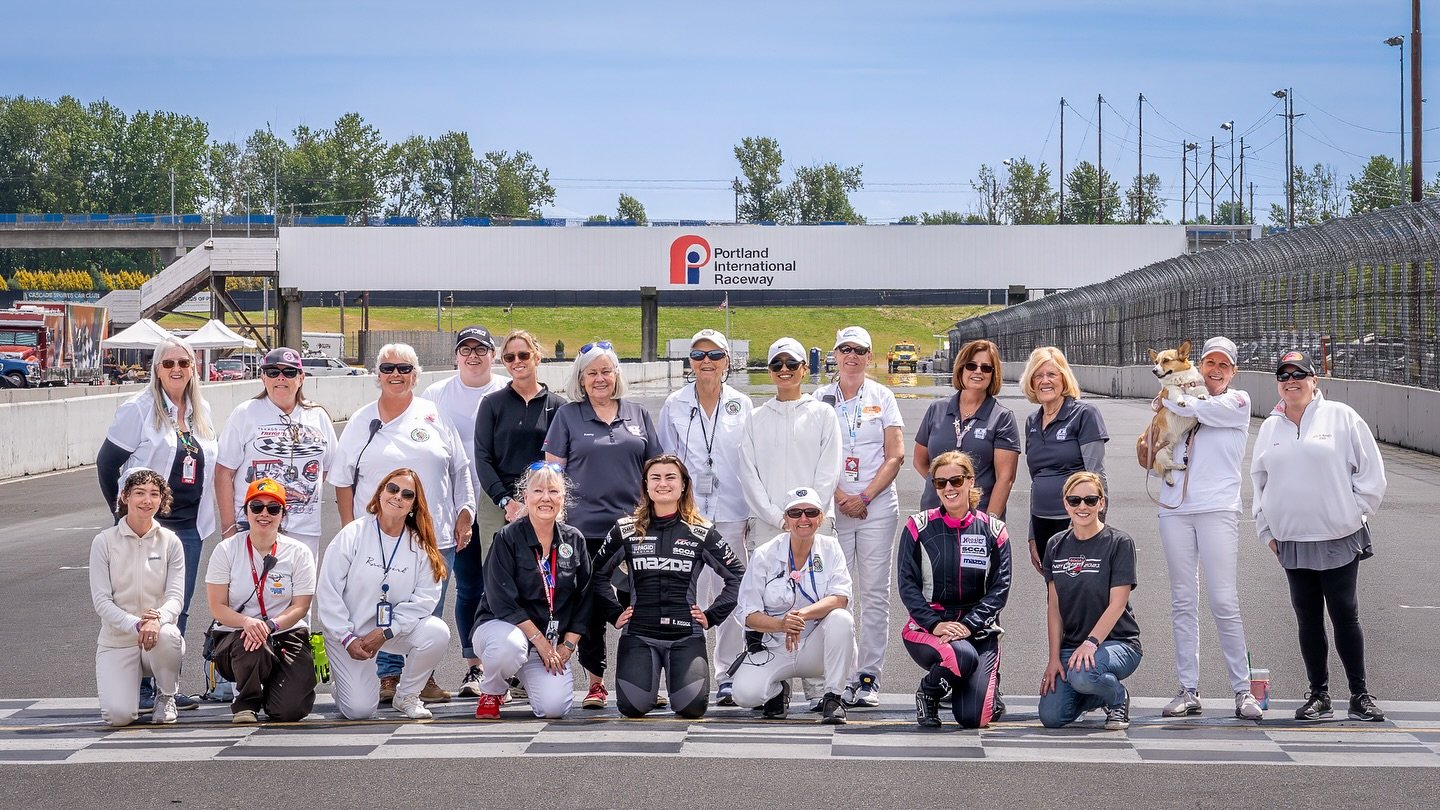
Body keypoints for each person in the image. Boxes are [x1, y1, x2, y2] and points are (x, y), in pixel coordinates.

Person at [330, 343, 474, 705]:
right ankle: (388, 675)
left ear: (416, 374)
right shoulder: (363, 421)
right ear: (377, 375)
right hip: (379, 535)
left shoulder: (433, 415)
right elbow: (342, 479)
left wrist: (465, 513)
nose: (396, 374)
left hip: (433, 531)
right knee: (386, 601)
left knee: (427, 608)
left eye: (404, 368)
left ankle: (420, 677)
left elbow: (460, 468)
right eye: (389, 368)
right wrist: (350, 528)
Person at [1252, 350, 1388, 722]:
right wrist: (1266, 530)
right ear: (1278, 383)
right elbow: (1258, 482)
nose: (1291, 381)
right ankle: (1319, 694)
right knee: (1307, 618)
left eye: (1300, 374)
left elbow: (1371, 475)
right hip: (1291, 539)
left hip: (1338, 536)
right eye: (1284, 375)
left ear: (1315, 381)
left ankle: (1360, 694)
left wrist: (1354, 514)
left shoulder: (1341, 417)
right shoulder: (1270, 427)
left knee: (1345, 613)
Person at [96, 336, 217, 710]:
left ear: (194, 368)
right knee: (138, 603)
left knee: (177, 606)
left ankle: (167, 685)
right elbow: (106, 463)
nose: (177, 369)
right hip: (149, 525)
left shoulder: (200, 410)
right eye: (168, 364)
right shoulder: (139, 409)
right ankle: (141, 686)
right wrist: (122, 513)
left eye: (184, 363)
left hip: (189, 526)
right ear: (156, 369)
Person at [1151, 337, 1263, 720]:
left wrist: (1167, 398)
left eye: (1224, 365)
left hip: (1217, 509)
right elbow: (1153, 446)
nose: (1215, 370)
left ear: (1233, 372)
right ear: (1198, 363)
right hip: (1174, 507)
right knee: (1183, 600)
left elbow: (1198, 409)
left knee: (1223, 600)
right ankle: (1188, 688)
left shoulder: (1237, 402)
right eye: (1210, 362)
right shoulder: (1178, 396)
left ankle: (1243, 690)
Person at [543, 340, 660, 709]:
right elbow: (552, 475)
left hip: (634, 530)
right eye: (591, 372)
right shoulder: (568, 417)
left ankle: (642, 681)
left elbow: (656, 471)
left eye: (606, 371)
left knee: (639, 607)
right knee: (590, 611)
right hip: (584, 532)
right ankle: (595, 682)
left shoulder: (638, 413)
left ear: (617, 375)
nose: (599, 378)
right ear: (580, 377)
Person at [592, 455, 746, 718]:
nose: (663, 483)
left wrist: (711, 616)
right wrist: (614, 613)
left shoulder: (702, 531)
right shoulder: (625, 529)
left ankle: (670, 687)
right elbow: (596, 575)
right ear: (646, 486)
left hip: (686, 635)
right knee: (632, 708)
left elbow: (738, 576)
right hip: (640, 634)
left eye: (670, 477)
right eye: (656, 478)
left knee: (692, 709)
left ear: (684, 485)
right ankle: (649, 689)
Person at [656, 328, 753, 705]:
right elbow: (665, 463)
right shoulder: (674, 404)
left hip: (731, 513)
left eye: (714, 356)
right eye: (698, 356)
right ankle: (681, 668)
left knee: (731, 595)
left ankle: (727, 671)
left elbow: (749, 461)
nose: (706, 363)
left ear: (727, 362)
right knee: (683, 593)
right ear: (690, 362)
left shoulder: (742, 405)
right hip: (688, 516)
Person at [468, 329, 567, 699]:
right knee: (500, 583)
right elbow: (482, 458)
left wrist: (535, 500)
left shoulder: (557, 405)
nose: (517, 363)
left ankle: (534, 663)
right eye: (509, 358)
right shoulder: (492, 404)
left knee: (544, 582)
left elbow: (560, 458)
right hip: (499, 504)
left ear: (537, 357)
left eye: (523, 355)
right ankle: (500, 664)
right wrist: (507, 502)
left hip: (543, 500)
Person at [814, 326, 904, 709]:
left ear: (870, 357)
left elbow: (895, 454)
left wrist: (865, 495)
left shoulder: (883, 397)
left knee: (874, 593)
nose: (851, 356)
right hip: (834, 506)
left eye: (859, 350)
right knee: (835, 594)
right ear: (835, 354)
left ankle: (867, 677)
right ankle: (838, 678)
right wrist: (839, 496)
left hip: (876, 506)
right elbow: (813, 455)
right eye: (845, 349)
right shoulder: (820, 398)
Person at [317, 468, 452, 720]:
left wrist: (386, 631)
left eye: (407, 494)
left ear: (413, 504)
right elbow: (328, 591)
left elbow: (424, 601)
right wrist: (346, 637)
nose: (397, 496)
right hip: (350, 635)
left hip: (389, 631)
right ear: (380, 493)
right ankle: (345, 687)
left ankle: (407, 695)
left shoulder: (419, 545)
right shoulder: (353, 534)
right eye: (392, 489)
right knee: (359, 711)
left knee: (437, 632)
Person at [418, 326, 509, 697]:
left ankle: (509, 665)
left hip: (501, 502)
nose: (473, 356)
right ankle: (474, 665)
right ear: (455, 356)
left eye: (481, 349)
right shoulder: (436, 394)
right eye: (465, 349)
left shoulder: (505, 389)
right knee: (467, 586)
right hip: (452, 503)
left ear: (493, 354)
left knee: (503, 585)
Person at [470, 462, 592, 720]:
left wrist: (567, 646)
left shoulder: (574, 539)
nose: (545, 498)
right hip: (503, 629)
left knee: (554, 708)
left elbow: (586, 598)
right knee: (509, 648)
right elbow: (501, 601)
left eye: (553, 492)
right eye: (538, 491)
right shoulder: (507, 538)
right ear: (525, 496)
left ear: (563, 498)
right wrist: (540, 642)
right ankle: (493, 689)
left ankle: (525, 674)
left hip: (548, 640)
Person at [899, 451, 1011, 729]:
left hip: (979, 630)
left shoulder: (994, 530)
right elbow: (907, 585)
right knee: (960, 655)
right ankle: (929, 693)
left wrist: (970, 625)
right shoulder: (918, 526)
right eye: (940, 483)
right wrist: (935, 625)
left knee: (975, 718)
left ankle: (977, 684)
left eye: (956, 480)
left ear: (970, 481)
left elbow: (1000, 588)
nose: (949, 488)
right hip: (929, 629)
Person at [730, 487, 856, 725]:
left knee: (842, 619)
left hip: (817, 646)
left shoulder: (831, 548)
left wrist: (801, 616)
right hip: (775, 645)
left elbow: (841, 598)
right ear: (786, 519)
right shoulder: (764, 554)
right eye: (795, 513)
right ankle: (777, 692)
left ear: (820, 518)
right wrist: (781, 624)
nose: (803, 519)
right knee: (745, 695)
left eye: (810, 512)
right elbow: (747, 614)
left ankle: (833, 697)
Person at [204, 478, 317, 723]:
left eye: (273, 508)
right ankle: (246, 702)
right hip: (237, 636)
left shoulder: (299, 552)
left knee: (290, 711)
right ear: (246, 511)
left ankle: (275, 690)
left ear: (282, 514)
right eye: (256, 507)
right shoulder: (226, 550)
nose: (264, 514)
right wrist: (248, 622)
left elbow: (301, 606)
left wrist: (270, 625)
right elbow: (217, 606)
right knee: (251, 639)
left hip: (283, 632)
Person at [1038, 473, 1142, 730]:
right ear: (1065, 504)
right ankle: (1094, 693)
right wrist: (1053, 659)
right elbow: (1054, 607)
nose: (1082, 506)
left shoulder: (1119, 543)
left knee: (1083, 674)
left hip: (1118, 643)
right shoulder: (1055, 545)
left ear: (1102, 503)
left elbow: (1117, 604)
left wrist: (1090, 643)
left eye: (1090, 499)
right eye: (1075, 500)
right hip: (1072, 646)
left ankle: (1117, 697)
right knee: (1052, 717)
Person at [215, 347, 337, 563]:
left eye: (289, 372)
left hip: (304, 529)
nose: (281, 378)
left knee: (300, 594)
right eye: (273, 372)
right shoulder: (245, 413)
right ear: (263, 377)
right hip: (254, 525)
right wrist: (229, 528)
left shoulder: (318, 416)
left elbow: (327, 467)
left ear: (301, 378)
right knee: (251, 594)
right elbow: (224, 472)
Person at [90, 468, 186, 726]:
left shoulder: (171, 542)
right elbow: (102, 601)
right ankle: (127, 690)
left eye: (154, 494)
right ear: (125, 496)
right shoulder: (104, 542)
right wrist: (137, 624)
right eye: (139, 493)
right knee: (118, 717)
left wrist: (157, 620)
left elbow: (176, 598)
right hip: (118, 640)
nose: (147, 500)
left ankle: (166, 696)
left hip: (157, 636)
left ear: (162, 500)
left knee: (168, 635)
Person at [1021, 346, 1108, 577]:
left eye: (1052, 374)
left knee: (1081, 592)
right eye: (1038, 375)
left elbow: (1096, 476)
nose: (1045, 381)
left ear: (1064, 378)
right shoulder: (1032, 422)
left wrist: (1092, 526)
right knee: (1053, 593)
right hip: (1042, 522)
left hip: (1076, 520)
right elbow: (1036, 480)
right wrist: (1032, 534)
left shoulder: (1084, 414)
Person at [914, 338, 1019, 518]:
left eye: (986, 368)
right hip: (935, 515)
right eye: (971, 365)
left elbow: (1005, 479)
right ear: (961, 368)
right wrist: (947, 487)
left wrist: (990, 522)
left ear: (993, 374)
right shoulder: (937, 409)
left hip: (979, 516)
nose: (978, 371)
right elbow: (920, 461)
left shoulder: (1002, 417)